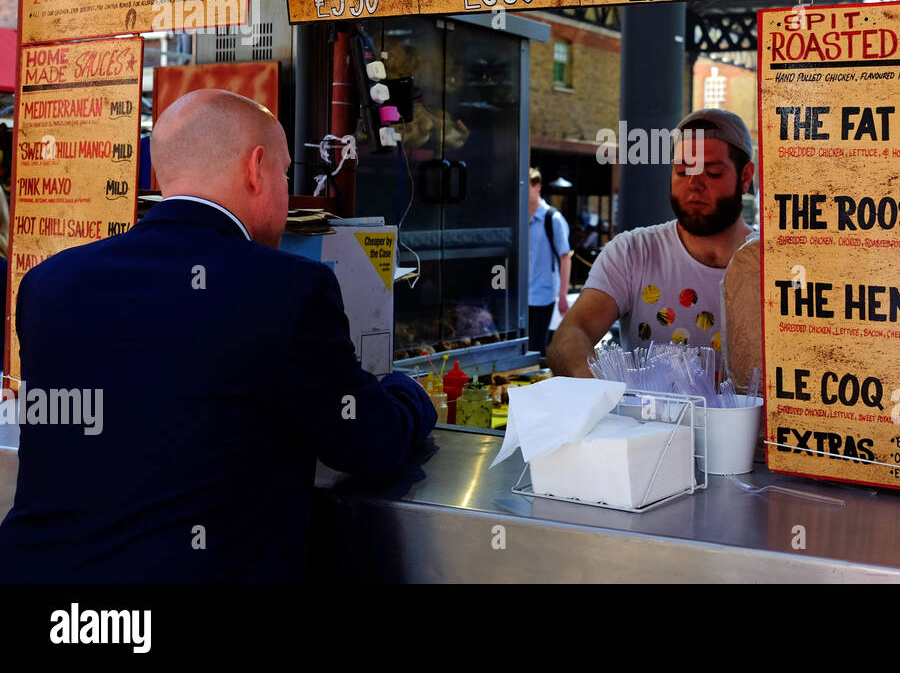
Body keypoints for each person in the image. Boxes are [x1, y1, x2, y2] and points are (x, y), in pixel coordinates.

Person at [0, 89, 435, 582]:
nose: (286, 190)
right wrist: (408, 393)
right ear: (256, 168)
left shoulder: (48, 283)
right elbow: (368, 442)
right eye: (285, 173)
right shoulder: (288, 288)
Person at [549, 109, 756, 377]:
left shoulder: (773, 262)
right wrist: (599, 388)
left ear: (745, 177)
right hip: (649, 419)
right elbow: (572, 333)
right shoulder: (631, 252)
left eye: (712, 172)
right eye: (682, 171)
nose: (694, 184)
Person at [527, 167, 571, 358]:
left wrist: (562, 294)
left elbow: (565, 257)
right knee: (523, 346)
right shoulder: (520, 218)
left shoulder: (552, 218)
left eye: (525, 186)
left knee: (537, 346)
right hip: (520, 296)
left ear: (537, 187)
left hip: (543, 292)